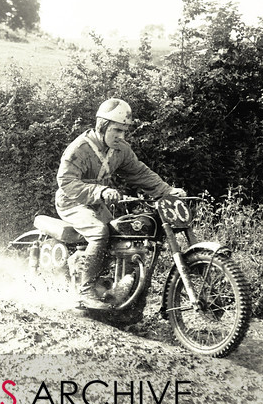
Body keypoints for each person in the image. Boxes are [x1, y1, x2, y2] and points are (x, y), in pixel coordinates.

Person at [55, 98, 186, 310]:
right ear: (102, 126)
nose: (121, 136)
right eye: (116, 130)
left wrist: (167, 191)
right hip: (72, 203)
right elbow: (67, 183)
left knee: (121, 235)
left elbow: (139, 173)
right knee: (99, 233)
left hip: (96, 205)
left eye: (124, 131)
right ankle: (85, 291)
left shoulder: (120, 150)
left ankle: (110, 288)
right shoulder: (79, 148)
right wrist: (101, 191)